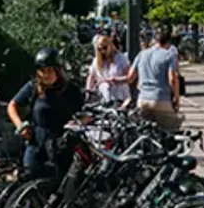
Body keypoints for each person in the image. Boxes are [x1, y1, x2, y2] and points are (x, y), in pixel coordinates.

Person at [8, 48, 85, 178]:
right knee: (29, 178)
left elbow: (83, 114)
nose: (46, 75)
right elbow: (12, 105)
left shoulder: (72, 90)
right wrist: (20, 126)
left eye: (49, 70)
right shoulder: (33, 87)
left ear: (58, 70)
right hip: (36, 144)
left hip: (61, 146)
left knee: (59, 185)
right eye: (42, 71)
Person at [128, 25, 182, 130]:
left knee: (145, 132)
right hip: (161, 99)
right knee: (169, 131)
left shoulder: (142, 54)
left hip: (143, 99)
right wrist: (177, 98)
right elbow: (172, 79)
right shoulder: (169, 55)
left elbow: (130, 77)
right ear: (169, 43)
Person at [87, 35, 130, 104]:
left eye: (105, 47)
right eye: (99, 49)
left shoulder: (120, 58)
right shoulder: (96, 61)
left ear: (110, 46)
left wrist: (114, 79)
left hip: (120, 96)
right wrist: (88, 89)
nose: (103, 51)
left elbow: (128, 76)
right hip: (104, 97)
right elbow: (91, 76)